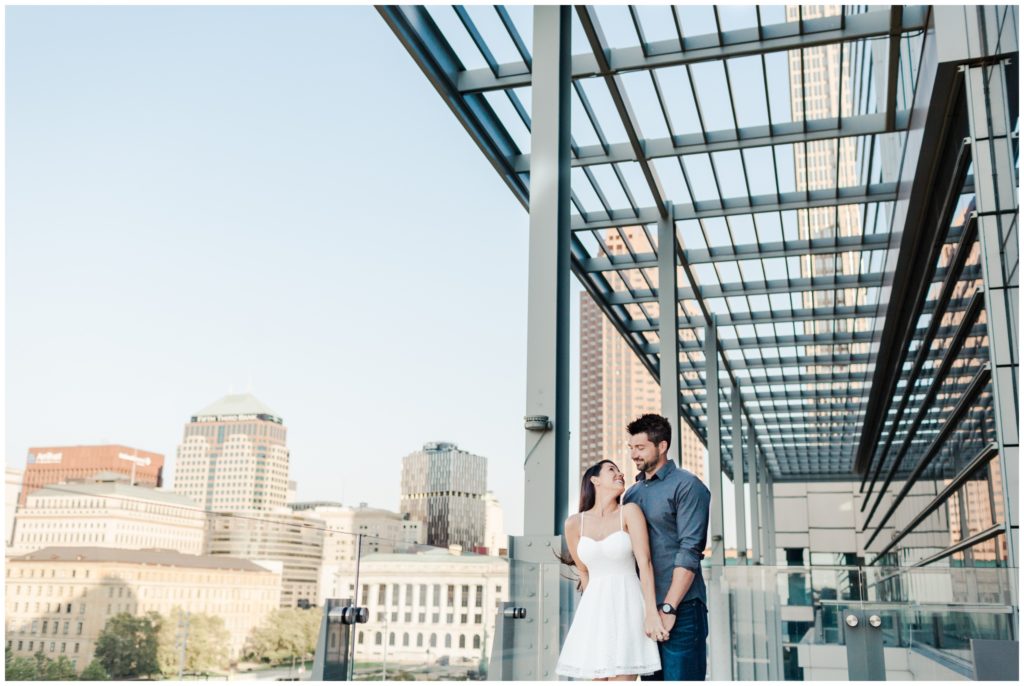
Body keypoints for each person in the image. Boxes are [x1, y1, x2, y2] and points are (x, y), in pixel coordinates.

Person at [555, 459, 664, 681]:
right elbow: (584, 572)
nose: (620, 473)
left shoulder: (630, 512)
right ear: (594, 480)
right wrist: (590, 614)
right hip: (595, 610)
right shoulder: (574, 524)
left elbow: (645, 563)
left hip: (628, 605)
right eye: (612, 470)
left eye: (620, 470)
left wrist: (651, 613)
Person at [622, 413, 711, 682]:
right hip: (644, 608)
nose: (634, 454)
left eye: (640, 447)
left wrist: (669, 608)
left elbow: (690, 552)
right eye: (631, 448)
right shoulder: (632, 494)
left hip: (681, 609)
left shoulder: (688, 486)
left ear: (662, 446)